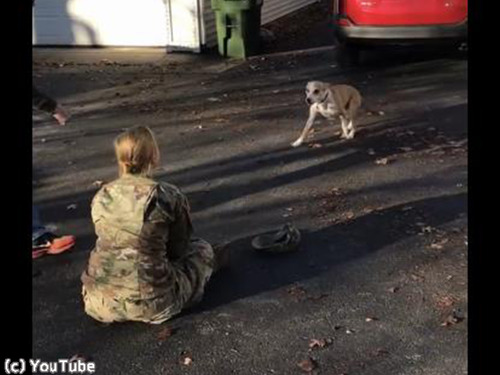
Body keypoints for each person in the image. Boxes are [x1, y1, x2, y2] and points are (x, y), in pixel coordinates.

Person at [81, 126, 229, 324]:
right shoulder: (166, 195)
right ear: (154, 156)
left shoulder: (102, 195)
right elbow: (179, 247)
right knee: (202, 249)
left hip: (98, 302)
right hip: (154, 304)